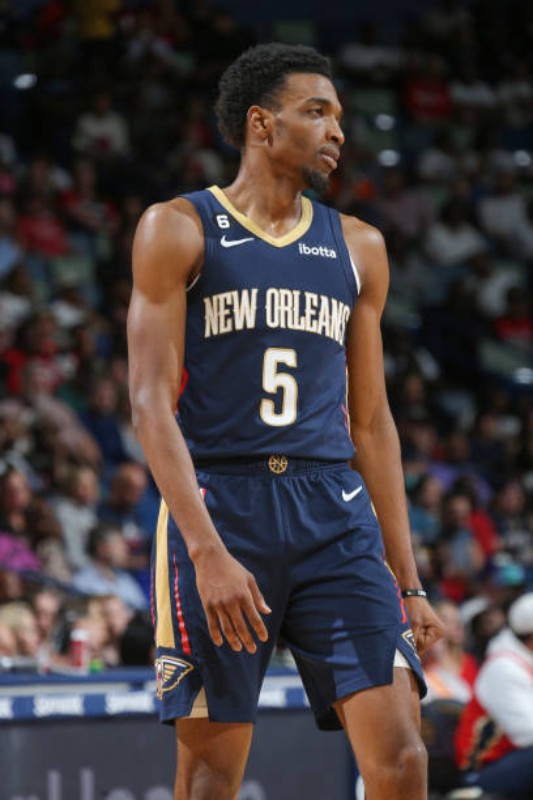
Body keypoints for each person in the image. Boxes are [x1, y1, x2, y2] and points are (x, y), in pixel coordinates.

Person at [127, 43, 443, 800]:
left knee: (403, 759)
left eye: (339, 116)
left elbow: (372, 421)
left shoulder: (358, 245)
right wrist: (206, 551)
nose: (337, 130)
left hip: (333, 510)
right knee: (211, 778)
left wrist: (408, 580)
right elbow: (149, 402)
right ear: (261, 124)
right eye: (317, 112)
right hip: (223, 505)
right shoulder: (178, 227)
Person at [455, 593, 533, 798]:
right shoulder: (504, 667)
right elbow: (527, 733)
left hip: (514, 759)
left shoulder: (523, 661)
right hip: (482, 771)